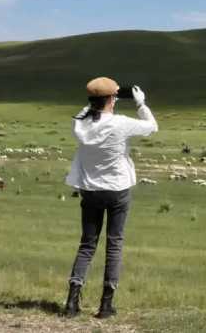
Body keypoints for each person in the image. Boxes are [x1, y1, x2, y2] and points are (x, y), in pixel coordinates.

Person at [63, 77, 158, 318]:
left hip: (90, 190)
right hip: (117, 189)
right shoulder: (121, 123)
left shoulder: (80, 126)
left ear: (91, 101)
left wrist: (93, 103)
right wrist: (140, 103)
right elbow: (151, 127)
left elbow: (82, 114)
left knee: (87, 244)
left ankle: (72, 302)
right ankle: (106, 304)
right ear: (111, 100)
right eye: (114, 97)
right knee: (114, 243)